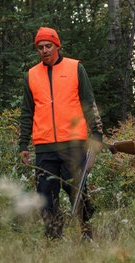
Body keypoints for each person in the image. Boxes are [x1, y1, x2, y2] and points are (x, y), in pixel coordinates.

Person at [19, 26, 104, 240]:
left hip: (72, 144)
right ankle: (54, 239)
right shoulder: (31, 75)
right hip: (44, 147)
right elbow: (27, 113)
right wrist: (23, 145)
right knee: (45, 198)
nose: (44, 50)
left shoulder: (75, 68)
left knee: (77, 191)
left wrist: (97, 135)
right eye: (40, 47)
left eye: (48, 46)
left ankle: (87, 233)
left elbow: (89, 103)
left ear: (57, 46)